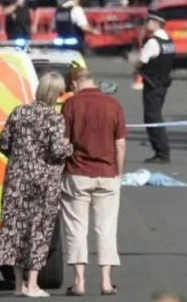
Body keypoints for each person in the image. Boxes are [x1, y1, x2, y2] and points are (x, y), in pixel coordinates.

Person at [0, 71, 73, 297]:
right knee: (38, 230)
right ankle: (33, 285)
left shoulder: (18, 112)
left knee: (16, 230)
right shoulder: (54, 118)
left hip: (16, 181)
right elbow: (58, 150)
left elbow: (2, 142)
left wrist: (19, 157)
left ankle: (19, 285)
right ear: (56, 93)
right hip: (44, 182)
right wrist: (72, 147)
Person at [60, 68, 127, 296]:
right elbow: (120, 144)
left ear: (76, 83)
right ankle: (106, 282)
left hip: (77, 173)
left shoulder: (71, 105)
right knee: (106, 228)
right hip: (107, 174)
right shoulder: (114, 104)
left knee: (76, 228)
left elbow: (64, 142)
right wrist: (119, 173)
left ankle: (79, 283)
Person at [134, 10, 174, 163]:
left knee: (152, 118)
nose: (146, 24)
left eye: (148, 21)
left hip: (152, 84)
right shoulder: (169, 41)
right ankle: (161, 152)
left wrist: (136, 67)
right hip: (163, 84)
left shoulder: (153, 42)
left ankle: (162, 152)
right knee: (156, 116)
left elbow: (141, 62)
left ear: (156, 23)